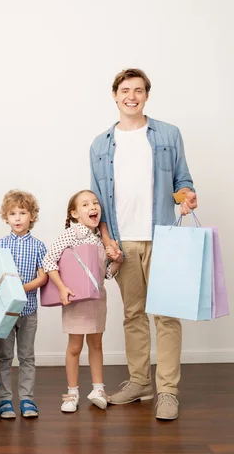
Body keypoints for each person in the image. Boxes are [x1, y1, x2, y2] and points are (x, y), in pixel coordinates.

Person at [90, 68, 197, 421]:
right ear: (115, 95)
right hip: (124, 242)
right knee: (133, 314)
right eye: (125, 90)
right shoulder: (101, 144)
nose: (131, 96)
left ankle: (167, 390)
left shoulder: (168, 134)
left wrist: (186, 196)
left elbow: (182, 180)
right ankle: (140, 382)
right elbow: (97, 202)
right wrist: (107, 241)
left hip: (163, 236)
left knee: (166, 316)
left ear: (146, 95)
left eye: (138, 90)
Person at [43, 190, 122, 413]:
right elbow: (49, 260)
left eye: (95, 203)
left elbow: (106, 274)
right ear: (75, 214)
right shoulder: (72, 234)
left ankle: (98, 389)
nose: (92, 207)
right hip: (76, 300)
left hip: (97, 301)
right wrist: (61, 288)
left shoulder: (101, 240)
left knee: (96, 344)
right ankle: (72, 392)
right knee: (75, 347)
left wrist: (118, 260)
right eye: (85, 205)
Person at [0, 190, 47, 419]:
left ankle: (27, 400)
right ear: (5, 217)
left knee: (27, 356)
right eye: (12, 213)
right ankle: (5, 400)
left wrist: (20, 290)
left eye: (22, 213)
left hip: (28, 312)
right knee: (4, 357)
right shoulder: (1, 244)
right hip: (5, 312)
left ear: (32, 216)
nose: (17, 218)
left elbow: (43, 277)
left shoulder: (38, 246)